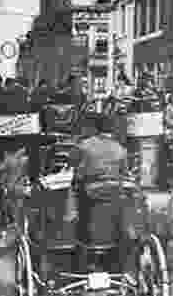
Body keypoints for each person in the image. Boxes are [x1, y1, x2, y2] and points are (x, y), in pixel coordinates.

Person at [72, 113, 139, 274]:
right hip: (115, 194)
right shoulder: (121, 150)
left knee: (76, 193)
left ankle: (82, 246)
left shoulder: (84, 146)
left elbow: (75, 171)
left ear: (96, 128)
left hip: (90, 195)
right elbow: (124, 173)